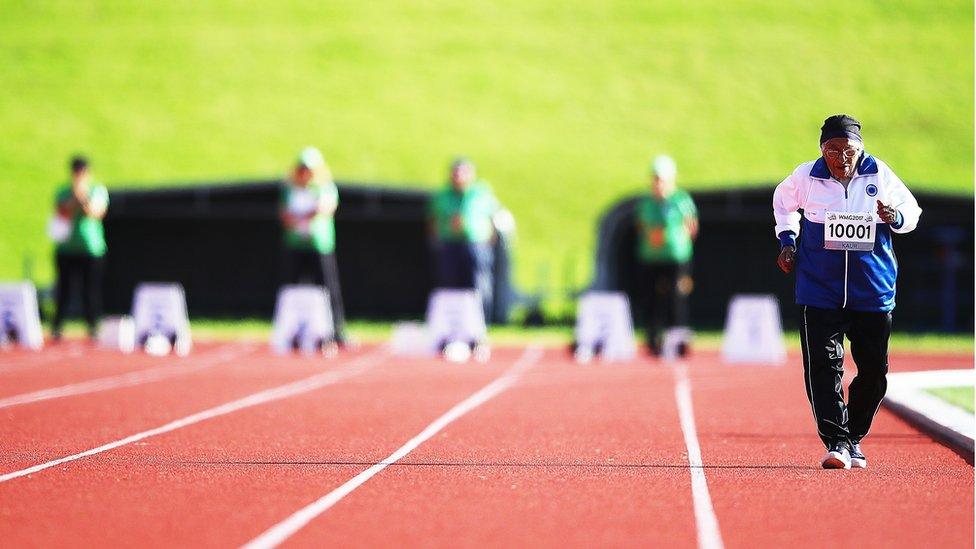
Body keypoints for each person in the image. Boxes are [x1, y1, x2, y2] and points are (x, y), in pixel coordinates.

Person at [773, 114, 921, 469]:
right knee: (824, 367)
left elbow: (912, 212)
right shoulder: (806, 176)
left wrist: (894, 217)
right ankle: (836, 441)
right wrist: (787, 240)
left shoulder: (878, 173)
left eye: (848, 149)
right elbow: (782, 202)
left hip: (871, 290)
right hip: (819, 289)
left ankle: (853, 435)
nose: (841, 157)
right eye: (833, 149)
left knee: (874, 371)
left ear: (861, 148)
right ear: (822, 149)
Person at [279, 147, 348, 347]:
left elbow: (324, 209)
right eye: (301, 169)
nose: (305, 174)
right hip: (295, 244)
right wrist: (300, 218)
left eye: (308, 170)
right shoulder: (289, 189)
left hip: (320, 245)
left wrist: (303, 216)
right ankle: (291, 331)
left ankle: (336, 330)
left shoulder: (325, 188)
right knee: (291, 290)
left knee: (328, 289)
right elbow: (285, 216)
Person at [634, 155, 698, 356]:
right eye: (656, 179)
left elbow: (691, 226)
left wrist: (680, 242)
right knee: (652, 298)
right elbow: (641, 227)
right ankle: (653, 339)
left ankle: (678, 339)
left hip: (676, 258)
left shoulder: (680, 200)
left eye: (662, 179)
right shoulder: (646, 204)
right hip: (652, 258)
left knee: (676, 297)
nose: (658, 184)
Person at [428, 158, 501, 323]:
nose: (458, 177)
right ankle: (451, 325)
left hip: (477, 245)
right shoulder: (443, 195)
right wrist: (437, 239)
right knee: (450, 286)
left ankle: (481, 326)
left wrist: (490, 240)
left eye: (463, 172)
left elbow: (493, 217)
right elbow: (433, 219)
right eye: (455, 173)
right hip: (450, 245)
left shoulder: (481, 192)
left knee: (479, 285)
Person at [51, 155, 109, 341]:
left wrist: (81, 197)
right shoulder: (63, 191)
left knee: (90, 290)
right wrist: (74, 198)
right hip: (66, 248)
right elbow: (61, 212)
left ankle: (92, 326)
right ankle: (57, 325)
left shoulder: (97, 191)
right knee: (63, 290)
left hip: (91, 248)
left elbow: (95, 212)